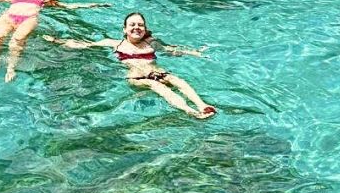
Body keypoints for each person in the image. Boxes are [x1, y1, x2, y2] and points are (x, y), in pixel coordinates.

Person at [44, 12, 216, 119]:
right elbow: (85, 44)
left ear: (145, 28)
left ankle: (201, 105)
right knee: (157, 86)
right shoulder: (115, 44)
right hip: (137, 78)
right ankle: (189, 111)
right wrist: (57, 41)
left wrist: (194, 52)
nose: (137, 27)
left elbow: (171, 50)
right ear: (124, 29)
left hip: (159, 72)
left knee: (179, 81)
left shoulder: (152, 43)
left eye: (140, 25)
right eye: (132, 25)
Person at [0, 0, 109, 83]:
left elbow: (70, 6)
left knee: (17, 40)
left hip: (29, 19)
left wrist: (95, 5)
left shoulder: (44, 2)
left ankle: (11, 67)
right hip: (8, 17)